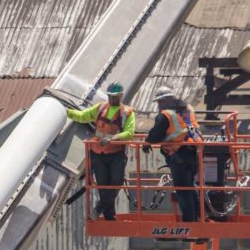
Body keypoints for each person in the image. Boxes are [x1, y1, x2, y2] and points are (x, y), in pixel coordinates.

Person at [66, 82, 135, 220]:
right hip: (98, 153)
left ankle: (98, 209)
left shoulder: (127, 112)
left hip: (116, 153)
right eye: (110, 96)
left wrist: (114, 138)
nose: (112, 99)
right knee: (103, 186)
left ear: (121, 96)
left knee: (116, 182)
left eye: (115, 96)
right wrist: (65, 111)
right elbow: (82, 116)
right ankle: (110, 216)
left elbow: (129, 133)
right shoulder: (100, 108)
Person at [144, 86, 202, 222]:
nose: (159, 105)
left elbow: (155, 134)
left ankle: (189, 222)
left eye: (159, 102)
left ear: (165, 100)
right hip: (194, 153)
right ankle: (199, 217)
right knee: (190, 188)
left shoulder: (165, 115)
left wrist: (147, 143)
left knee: (183, 191)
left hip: (179, 156)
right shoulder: (187, 108)